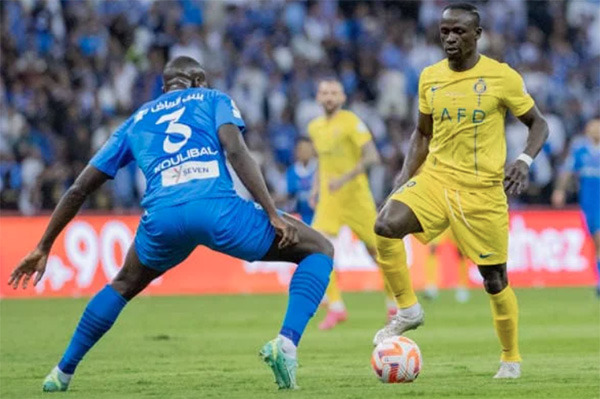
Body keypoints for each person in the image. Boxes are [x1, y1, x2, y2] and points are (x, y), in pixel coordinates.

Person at [8, 56, 334, 391]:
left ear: (164, 88)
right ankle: (286, 343)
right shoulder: (213, 98)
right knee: (319, 249)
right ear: (198, 81)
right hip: (216, 210)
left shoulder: (135, 120)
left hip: (162, 219)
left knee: (122, 285)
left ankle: (62, 372)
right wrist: (270, 212)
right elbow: (236, 151)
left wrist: (43, 245)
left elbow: (80, 187)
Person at [371, 3, 548, 379]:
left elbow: (538, 125)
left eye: (459, 32)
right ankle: (408, 310)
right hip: (436, 178)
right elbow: (422, 133)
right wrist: (401, 183)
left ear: (477, 35)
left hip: (482, 191)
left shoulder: (501, 77)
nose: (450, 38)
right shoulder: (430, 77)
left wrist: (523, 161)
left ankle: (510, 357)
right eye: (445, 31)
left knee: (494, 279)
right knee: (385, 225)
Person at [307, 78, 397, 330]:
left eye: (334, 93)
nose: (329, 97)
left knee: (378, 253)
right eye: (324, 92)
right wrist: (315, 189)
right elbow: (321, 162)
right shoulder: (314, 127)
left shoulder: (351, 122)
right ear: (317, 97)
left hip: (356, 198)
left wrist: (344, 179)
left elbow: (372, 156)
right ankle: (336, 306)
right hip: (330, 200)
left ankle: (393, 303)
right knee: (316, 249)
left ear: (343, 98)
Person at [552, 118, 600, 296]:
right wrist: (559, 191)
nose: (595, 130)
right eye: (592, 127)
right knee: (597, 242)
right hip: (591, 203)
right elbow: (567, 171)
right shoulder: (580, 150)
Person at [422, 231, 470, 303]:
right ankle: (431, 286)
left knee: (461, 252)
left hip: (454, 223)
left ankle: (462, 287)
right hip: (441, 223)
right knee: (432, 249)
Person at [286, 137, 317, 225]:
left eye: (307, 149)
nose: (304, 152)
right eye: (301, 149)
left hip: (319, 216)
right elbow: (290, 196)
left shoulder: (320, 169)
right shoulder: (292, 171)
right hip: (301, 217)